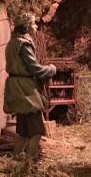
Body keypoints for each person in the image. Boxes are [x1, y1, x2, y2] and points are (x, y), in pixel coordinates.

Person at [4, 13, 57, 160]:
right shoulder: (23, 44)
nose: (36, 26)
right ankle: (30, 162)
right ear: (26, 27)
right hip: (25, 89)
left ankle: (15, 161)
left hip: (18, 87)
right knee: (36, 130)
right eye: (33, 24)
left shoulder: (13, 42)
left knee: (23, 131)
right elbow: (35, 69)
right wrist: (51, 69)